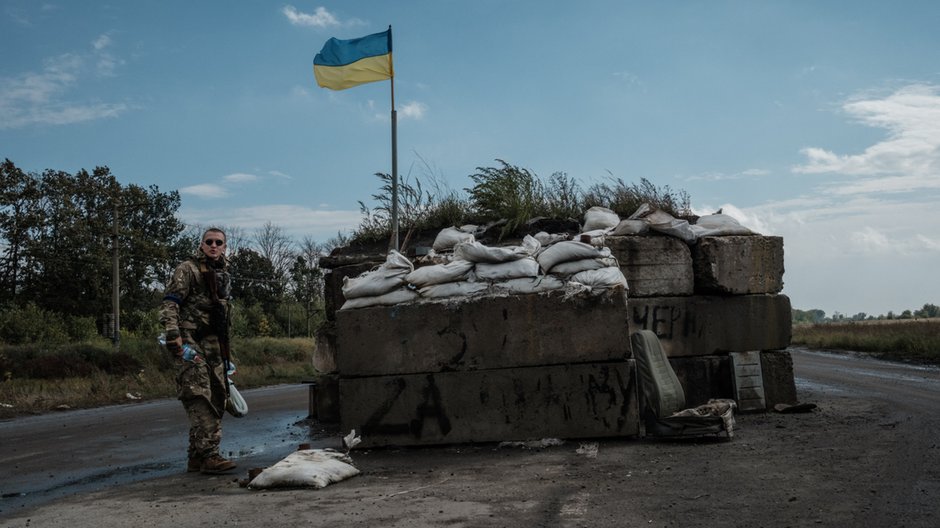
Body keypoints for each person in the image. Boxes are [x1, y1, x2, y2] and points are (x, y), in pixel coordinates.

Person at [159, 227, 237, 474]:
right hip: (190, 342)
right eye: (209, 242)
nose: (214, 246)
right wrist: (174, 336)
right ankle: (210, 455)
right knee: (199, 395)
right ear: (202, 245)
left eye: (219, 242)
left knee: (217, 395)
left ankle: (196, 456)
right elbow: (171, 302)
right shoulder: (188, 269)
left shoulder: (222, 273)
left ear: (224, 247)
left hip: (213, 344)